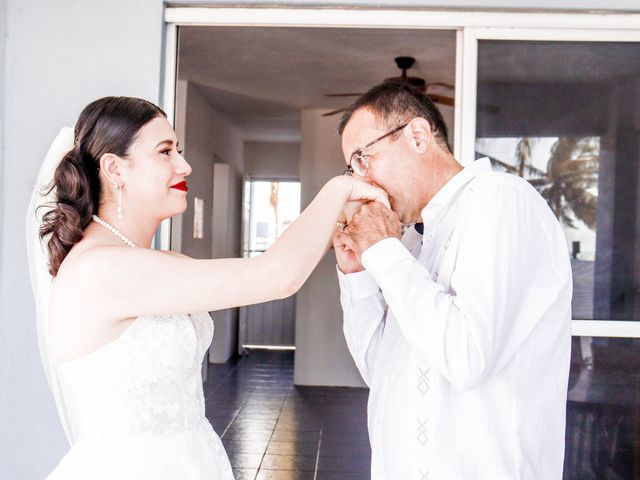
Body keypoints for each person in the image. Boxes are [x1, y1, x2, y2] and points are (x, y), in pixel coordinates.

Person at [26, 96, 389, 479]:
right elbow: (277, 275)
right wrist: (339, 188)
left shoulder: (153, 264)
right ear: (115, 168)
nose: (184, 164)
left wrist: (338, 230)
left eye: (178, 150)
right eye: (165, 151)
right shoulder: (104, 268)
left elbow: (271, 266)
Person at [332, 82, 572, 479]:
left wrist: (383, 251)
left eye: (363, 158)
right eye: (352, 167)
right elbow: (382, 372)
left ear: (418, 135)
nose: (363, 181)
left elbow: (467, 358)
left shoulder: (502, 201)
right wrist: (358, 274)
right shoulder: (412, 241)